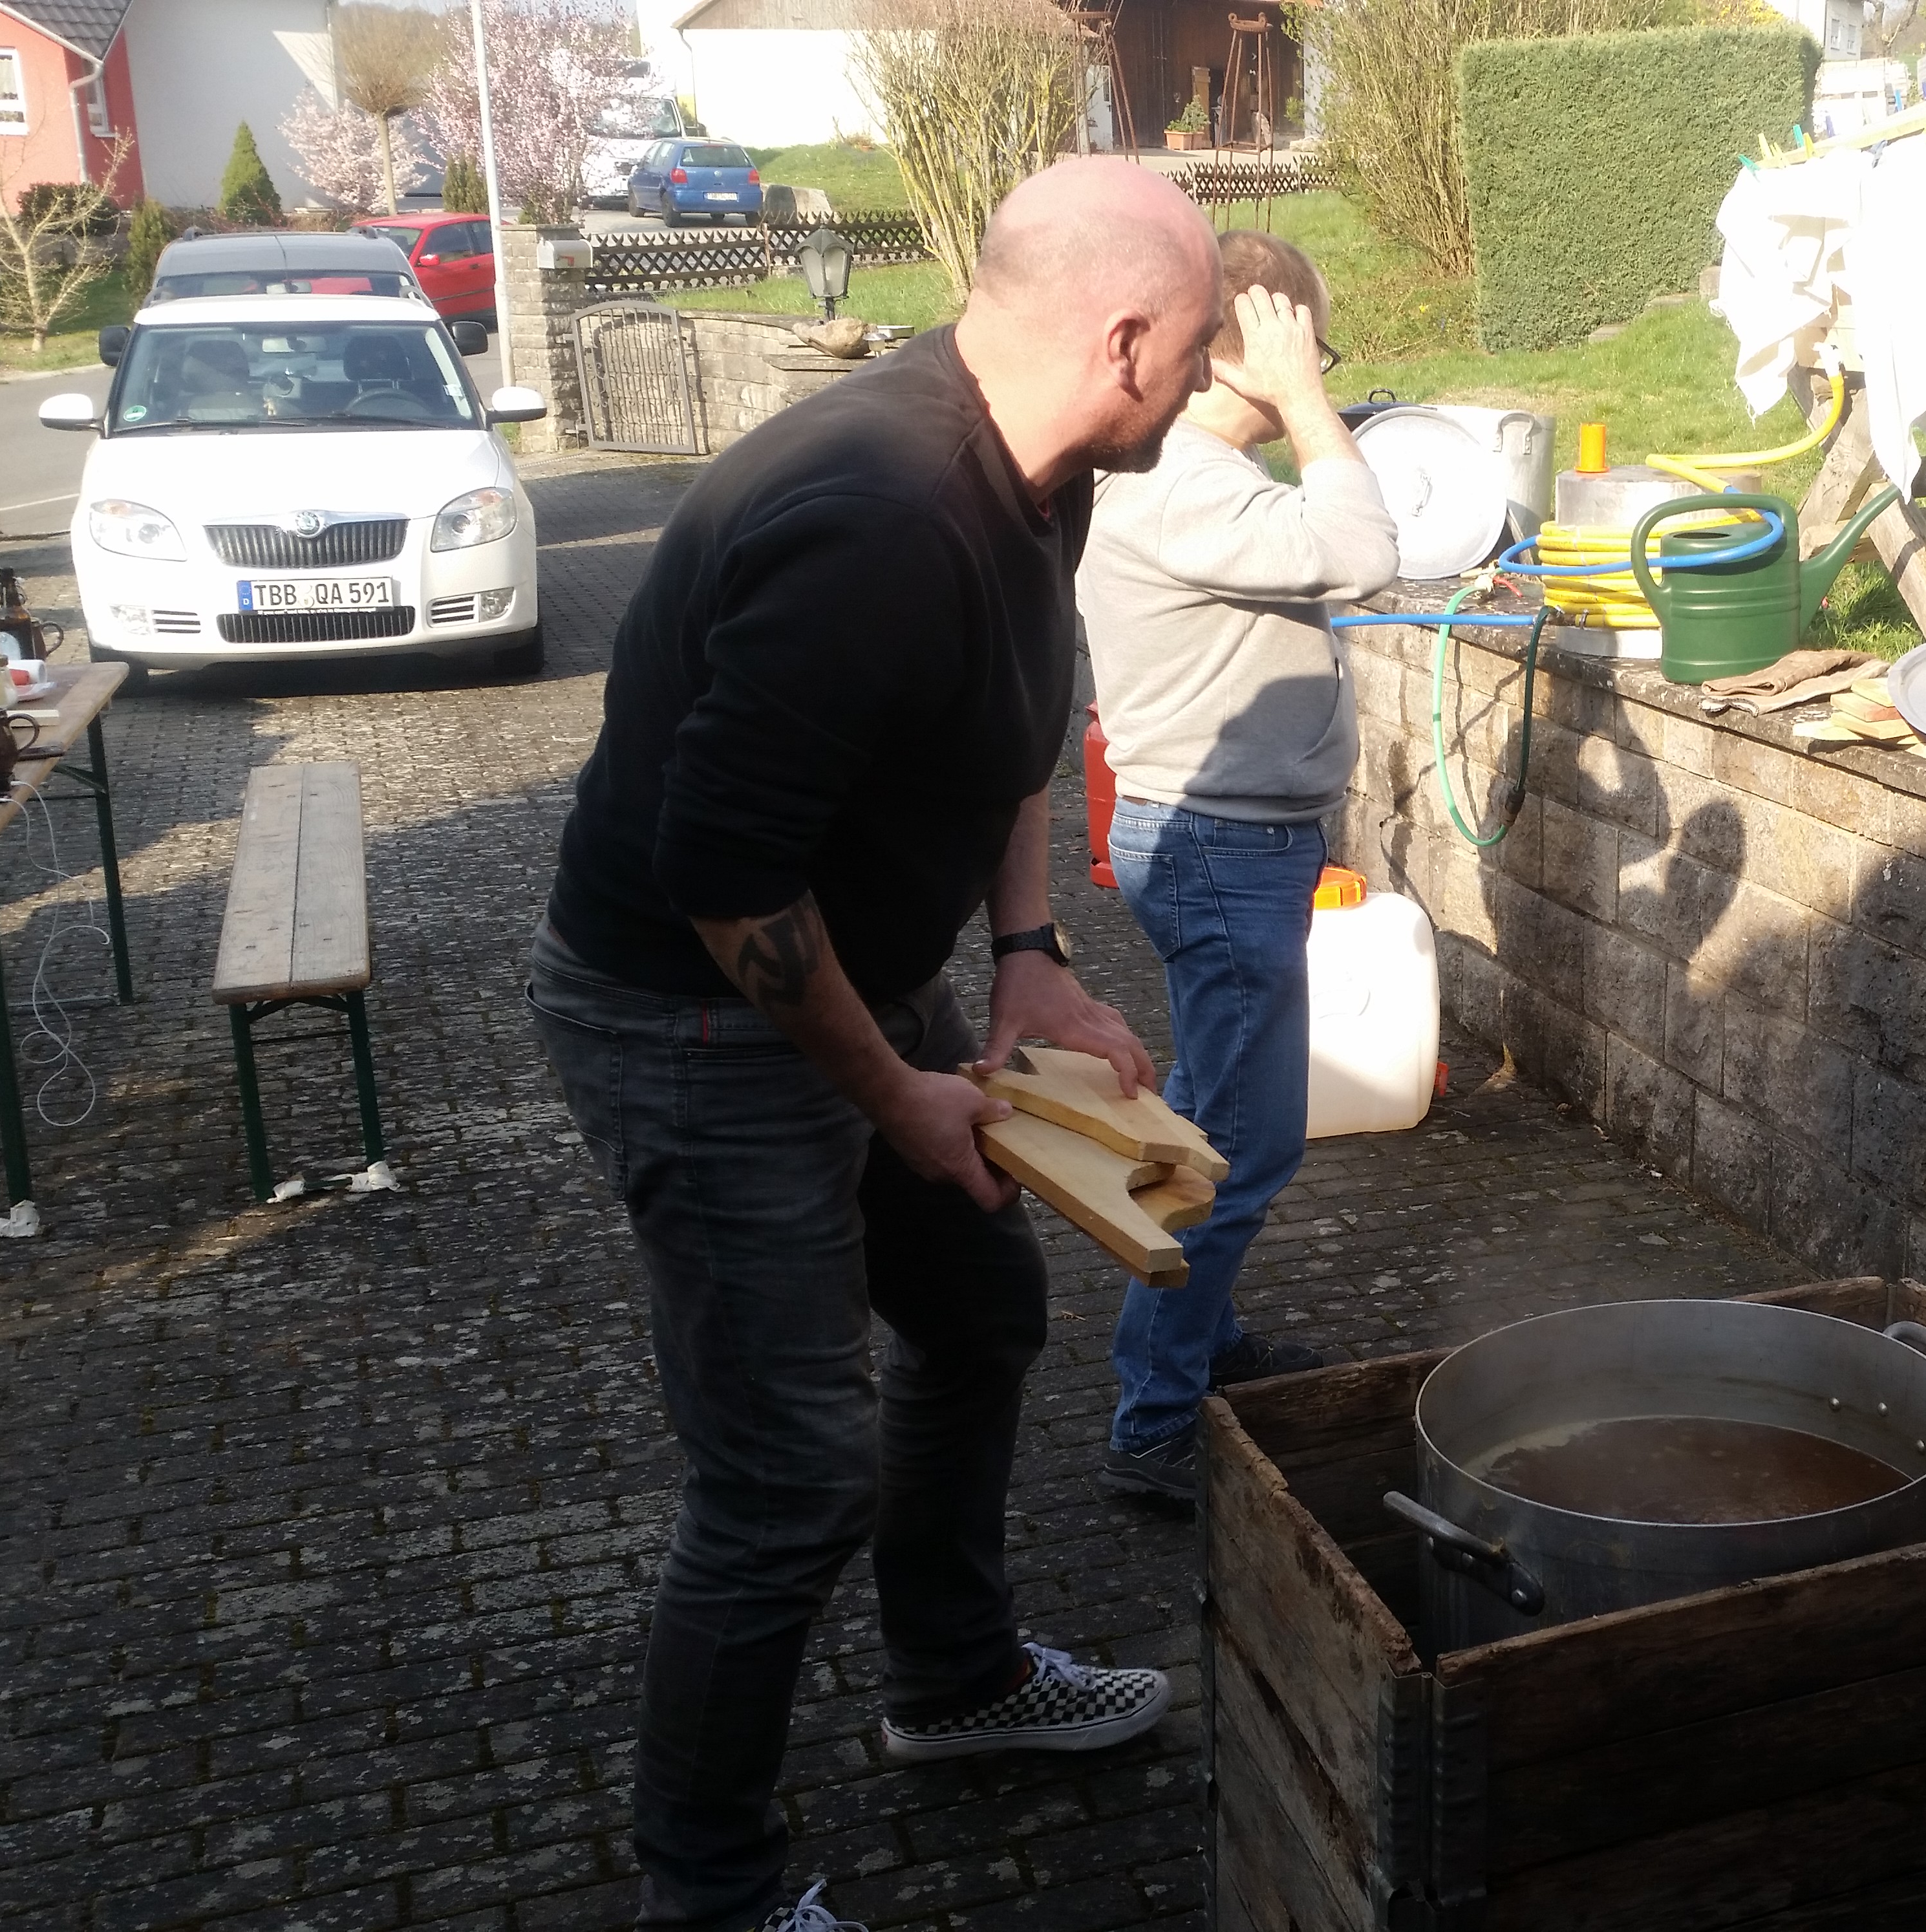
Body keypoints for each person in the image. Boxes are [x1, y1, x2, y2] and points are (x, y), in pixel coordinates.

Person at [524, 158, 1221, 1932]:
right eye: (1203, 343)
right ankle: (710, 1891)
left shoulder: (1038, 471)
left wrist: (1028, 955)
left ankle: (957, 1680)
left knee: (979, 1311)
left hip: (869, 972)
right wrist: (894, 1093)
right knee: (785, 1477)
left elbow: (1013, 726)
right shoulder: (878, 517)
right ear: (1124, 338)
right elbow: (720, 877)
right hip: (693, 1011)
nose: (1213, 376)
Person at [1079, 229, 1400, 1505]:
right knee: (1238, 1149)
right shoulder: (1184, 483)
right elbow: (1364, 550)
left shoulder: (1201, 476)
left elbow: (1333, 532)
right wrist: (1307, 399)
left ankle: (1197, 1347)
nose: (1319, 373)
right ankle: (1157, 1419)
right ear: (1244, 349)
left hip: (1225, 843)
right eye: (1307, 347)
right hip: (1221, 849)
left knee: (1204, 1126)